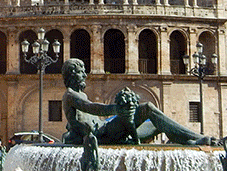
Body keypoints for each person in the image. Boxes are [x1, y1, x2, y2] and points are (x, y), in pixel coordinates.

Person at [62, 58, 210, 146]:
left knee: (157, 124)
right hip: (104, 133)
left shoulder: (81, 94)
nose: (85, 75)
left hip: (107, 129)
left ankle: (189, 141)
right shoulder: (70, 95)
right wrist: (117, 109)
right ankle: (197, 138)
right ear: (72, 74)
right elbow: (92, 108)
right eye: (81, 72)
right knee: (147, 108)